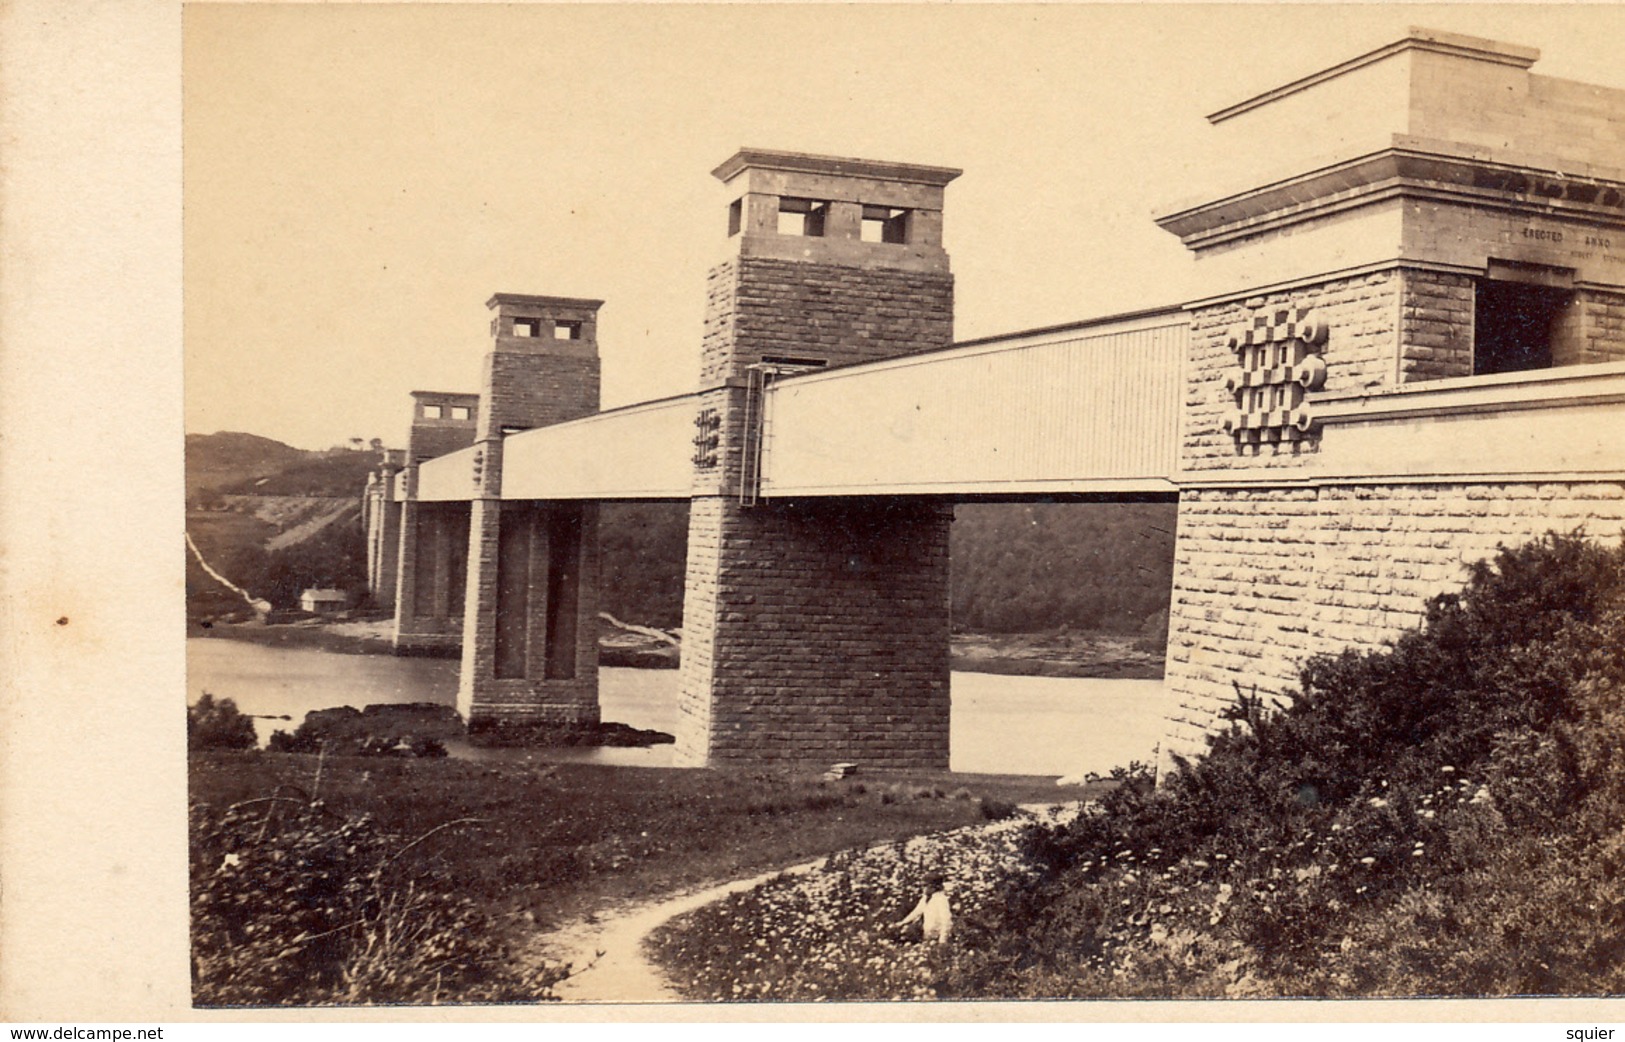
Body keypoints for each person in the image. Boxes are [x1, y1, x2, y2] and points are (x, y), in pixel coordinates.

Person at [895, 871, 952, 945]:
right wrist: (902, 922)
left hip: (937, 937)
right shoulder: (925, 898)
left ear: (934, 887)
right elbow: (916, 911)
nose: (923, 888)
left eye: (925, 885)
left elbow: (946, 921)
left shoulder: (941, 899)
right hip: (927, 935)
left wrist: (942, 940)